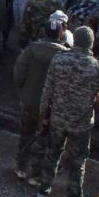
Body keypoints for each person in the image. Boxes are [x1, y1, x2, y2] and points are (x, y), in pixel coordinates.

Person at [36, 26, 99, 197]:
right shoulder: (98, 66)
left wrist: (43, 116)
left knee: (52, 154)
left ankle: (43, 191)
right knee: (77, 162)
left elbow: (47, 91)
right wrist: (98, 97)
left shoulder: (59, 59)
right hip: (81, 124)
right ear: (92, 43)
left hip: (57, 118)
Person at [13, 12, 69, 182]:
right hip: (50, 107)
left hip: (29, 101)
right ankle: (35, 175)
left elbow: (18, 74)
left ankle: (21, 167)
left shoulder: (30, 50)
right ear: (61, 33)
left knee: (26, 134)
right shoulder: (64, 56)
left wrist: (23, 92)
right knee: (44, 140)